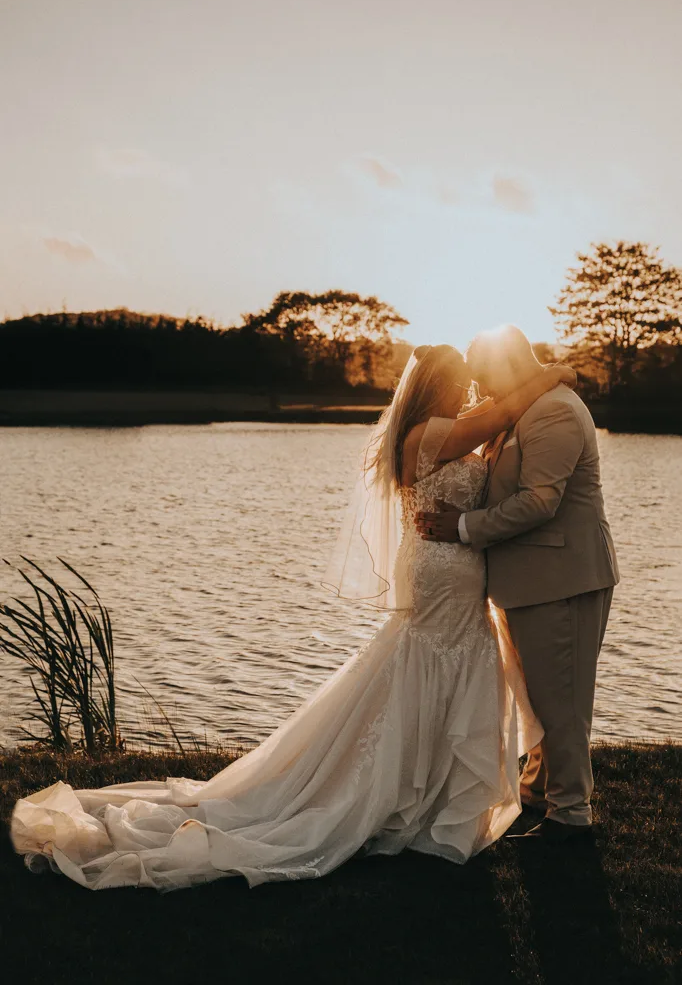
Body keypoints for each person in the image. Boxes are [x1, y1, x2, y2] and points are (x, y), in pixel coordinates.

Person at [10, 345, 573, 892]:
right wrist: (555, 372)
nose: (467, 390)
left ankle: (435, 795)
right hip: (442, 569)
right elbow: (499, 413)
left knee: (432, 664)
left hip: (449, 567)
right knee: (431, 661)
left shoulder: (439, 429)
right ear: (434, 388)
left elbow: (492, 419)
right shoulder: (427, 435)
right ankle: (414, 798)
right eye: (457, 383)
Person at [416, 326, 619, 842]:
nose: (478, 386)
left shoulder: (553, 411)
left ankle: (571, 815)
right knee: (539, 698)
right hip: (528, 580)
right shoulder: (521, 411)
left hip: (562, 578)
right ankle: (536, 794)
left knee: (563, 702)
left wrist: (461, 528)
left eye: (483, 372)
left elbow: (539, 501)